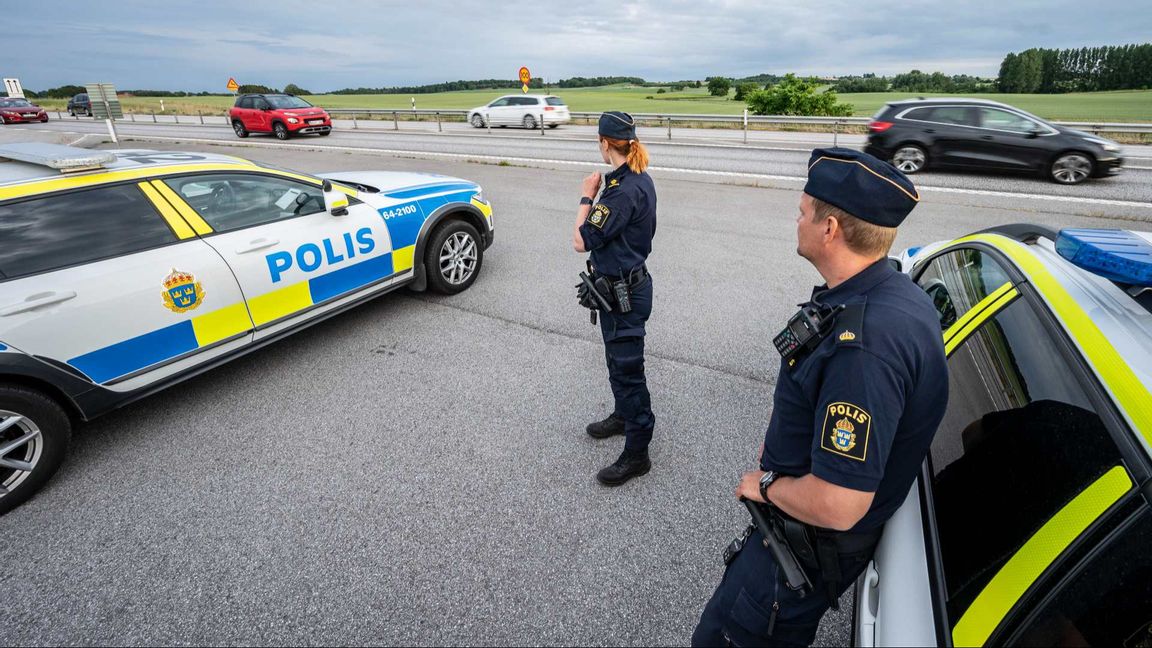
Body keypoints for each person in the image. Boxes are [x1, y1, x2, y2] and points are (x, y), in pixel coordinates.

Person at [692, 148, 949, 646]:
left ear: (830, 229)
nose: (797, 220)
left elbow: (838, 503)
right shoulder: (892, 293)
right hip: (804, 540)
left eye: (803, 212)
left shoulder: (864, 351)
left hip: (800, 552)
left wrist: (762, 487)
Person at [572, 111, 658, 486]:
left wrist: (586, 196)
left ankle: (638, 452)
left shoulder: (621, 191)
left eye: (599, 141)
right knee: (616, 361)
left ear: (606, 143)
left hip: (625, 295)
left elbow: (580, 240)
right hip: (620, 291)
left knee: (628, 371)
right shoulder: (637, 179)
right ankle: (624, 416)